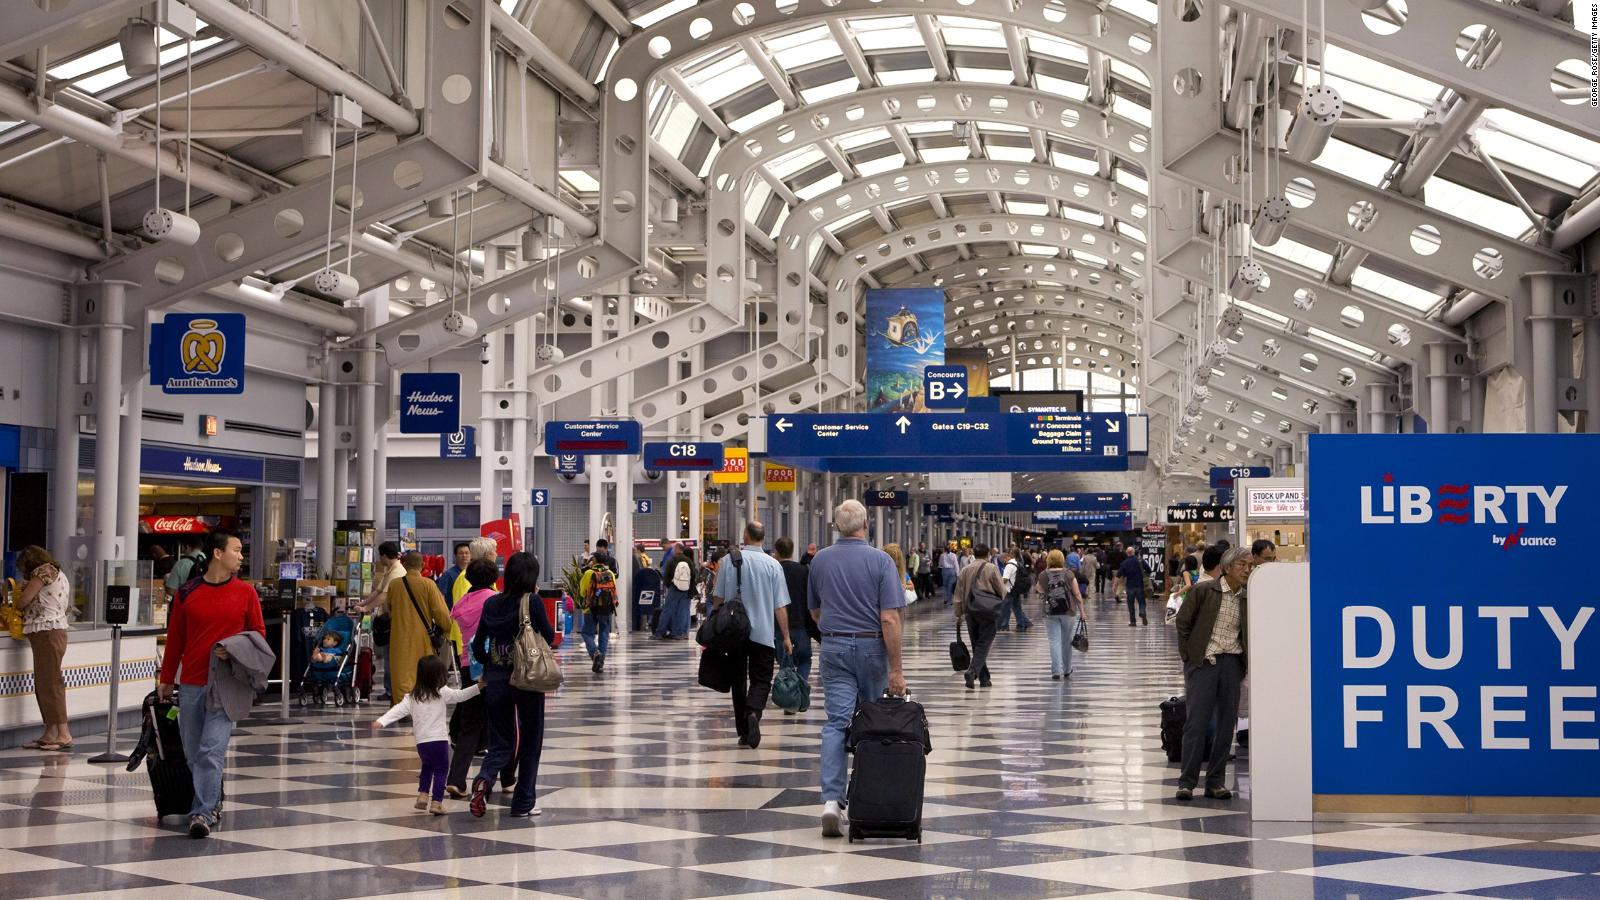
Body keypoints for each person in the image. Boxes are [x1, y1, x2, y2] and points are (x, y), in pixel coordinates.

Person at [808, 499, 907, 837]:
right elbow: (890, 618)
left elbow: (815, 611)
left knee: (836, 723)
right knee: (872, 722)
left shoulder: (819, 560)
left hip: (833, 645)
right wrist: (896, 670)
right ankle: (866, 795)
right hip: (871, 647)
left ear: (837, 526)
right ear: (866, 525)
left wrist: (834, 634)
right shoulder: (881, 562)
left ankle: (831, 801)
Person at [158, 529, 265, 839]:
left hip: (228, 683)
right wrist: (167, 679)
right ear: (218, 554)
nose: (241, 555)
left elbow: (258, 635)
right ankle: (212, 798)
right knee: (194, 753)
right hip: (191, 682)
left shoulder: (246, 593)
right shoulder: (187, 593)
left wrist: (233, 649)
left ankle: (203, 812)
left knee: (210, 751)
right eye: (237, 549)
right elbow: (175, 638)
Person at [469, 551, 555, 819]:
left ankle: (484, 778)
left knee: (501, 741)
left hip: (496, 680)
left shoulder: (492, 604)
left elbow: (478, 643)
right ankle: (523, 803)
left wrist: (490, 667)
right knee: (531, 740)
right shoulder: (533, 602)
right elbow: (549, 637)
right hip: (527, 679)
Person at [1174, 547, 1251, 801]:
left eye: (1249, 565)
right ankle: (1187, 782)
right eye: (1242, 565)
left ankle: (1215, 782)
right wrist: (1190, 656)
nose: (1247, 570)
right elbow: (1183, 622)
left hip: (1232, 663)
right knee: (1196, 722)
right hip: (1204, 663)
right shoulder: (1204, 591)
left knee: (1226, 724)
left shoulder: (1248, 597)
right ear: (1227, 567)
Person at [712, 522, 793, 749]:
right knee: (761, 680)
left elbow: (717, 598)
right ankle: (753, 713)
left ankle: (743, 732)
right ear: (763, 538)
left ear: (745, 535)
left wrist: (715, 625)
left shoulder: (728, 561)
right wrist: (786, 637)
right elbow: (779, 606)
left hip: (733, 633)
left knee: (738, 681)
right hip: (763, 634)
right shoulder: (773, 565)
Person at [375, 655, 481, 815]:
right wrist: (479, 686)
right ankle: (437, 802)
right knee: (441, 770)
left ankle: (423, 796)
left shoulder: (412, 696)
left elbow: (396, 710)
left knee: (427, 767)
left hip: (422, 743)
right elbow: (461, 696)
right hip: (439, 740)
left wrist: (382, 721)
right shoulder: (442, 692)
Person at [446, 559, 515, 798]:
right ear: (494, 577)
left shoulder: (461, 602)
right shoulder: (493, 599)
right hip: (492, 665)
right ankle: (508, 779)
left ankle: (456, 780)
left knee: (470, 725)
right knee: (502, 723)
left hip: (468, 666)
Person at [15, 546, 73, 751]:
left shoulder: (43, 572)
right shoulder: (58, 573)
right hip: (49, 631)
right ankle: (49, 733)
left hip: (47, 632)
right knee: (44, 683)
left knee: (50, 683)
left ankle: (64, 734)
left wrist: (20, 592)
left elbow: (22, 602)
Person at [383, 552, 453, 698]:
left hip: (399, 638)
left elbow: (388, 610)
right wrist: (447, 629)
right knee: (422, 672)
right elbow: (441, 612)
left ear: (404, 564)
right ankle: (420, 704)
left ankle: (401, 706)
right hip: (422, 638)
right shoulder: (428, 585)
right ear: (422, 565)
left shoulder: (394, 585)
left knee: (401, 673)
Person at [775, 537, 820, 713]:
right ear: (792, 551)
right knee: (804, 659)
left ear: (777, 552)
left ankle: (790, 695)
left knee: (785, 662)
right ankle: (799, 693)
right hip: (801, 624)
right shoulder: (804, 571)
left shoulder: (774, 570)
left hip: (780, 625)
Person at [954, 542, 1006, 690]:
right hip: (988, 611)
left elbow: (958, 594)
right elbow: (1002, 590)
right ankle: (972, 671)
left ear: (974, 554)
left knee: (977, 644)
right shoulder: (991, 568)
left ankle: (984, 679)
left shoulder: (965, 570)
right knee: (983, 644)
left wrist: (959, 614)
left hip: (971, 612)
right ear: (988, 554)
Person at [1033, 549, 1086, 680]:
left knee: (1054, 641)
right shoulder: (1069, 574)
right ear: (1062, 559)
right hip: (1068, 611)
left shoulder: (1043, 575)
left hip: (1050, 611)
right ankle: (1067, 670)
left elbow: (1038, 590)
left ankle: (1056, 671)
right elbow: (1077, 594)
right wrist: (1082, 612)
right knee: (1067, 641)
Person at [578, 552, 619, 673]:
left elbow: (582, 591)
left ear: (594, 560)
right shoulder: (610, 573)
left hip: (590, 608)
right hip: (606, 609)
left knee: (587, 633)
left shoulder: (588, 573)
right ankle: (601, 662)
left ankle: (595, 653)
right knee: (604, 635)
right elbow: (613, 590)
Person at [657, 546, 697, 639]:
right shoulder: (688, 561)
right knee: (683, 610)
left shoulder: (672, 560)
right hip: (686, 589)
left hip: (674, 587)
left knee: (668, 609)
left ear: (677, 550)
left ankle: (661, 632)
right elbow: (693, 575)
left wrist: (670, 585)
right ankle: (682, 633)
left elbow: (666, 575)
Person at [997, 548, 1032, 633]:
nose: (1003, 561)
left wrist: (998, 586)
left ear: (1008, 556)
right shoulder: (1017, 563)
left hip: (1009, 590)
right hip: (1016, 589)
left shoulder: (1009, 565)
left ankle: (1004, 626)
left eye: (1004, 559)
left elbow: (1005, 579)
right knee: (1017, 608)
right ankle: (1021, 625)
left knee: (1005, 609)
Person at [1118, 546, 1149, 626]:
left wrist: (1115, 585)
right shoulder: (1140, 560)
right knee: (1142, 601)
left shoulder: (1124, 563)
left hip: (1130, 586)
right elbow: (1149, 569)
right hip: (1140, 584)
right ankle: (1142, 612)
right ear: (1134, 552)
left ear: (1126, 553)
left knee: (1130, 603)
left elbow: (1119, 574)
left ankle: (1133, 622)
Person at [436, 542, 471, 607]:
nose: (464, 555)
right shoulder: (448, 574)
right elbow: (440, 596)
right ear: (455, 556)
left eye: (467, 553)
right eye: (461, 553)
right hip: (453, 613)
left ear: (471, 555)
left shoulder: (474, 573)